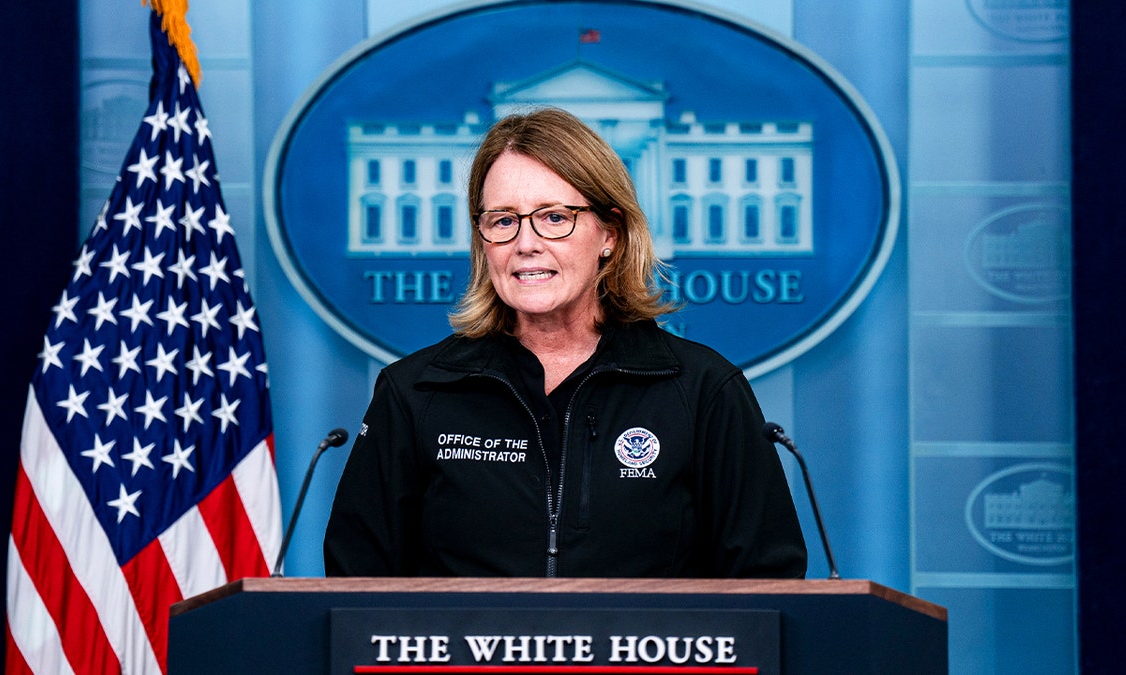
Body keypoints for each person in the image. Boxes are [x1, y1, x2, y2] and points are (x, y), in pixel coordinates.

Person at [324, 107, 807, 578]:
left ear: (610, 235)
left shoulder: (703, 390)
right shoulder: (415, 392)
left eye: (555, 217)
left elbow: (768, 588)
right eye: (502, 220)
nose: (526, 242)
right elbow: (355, 589)